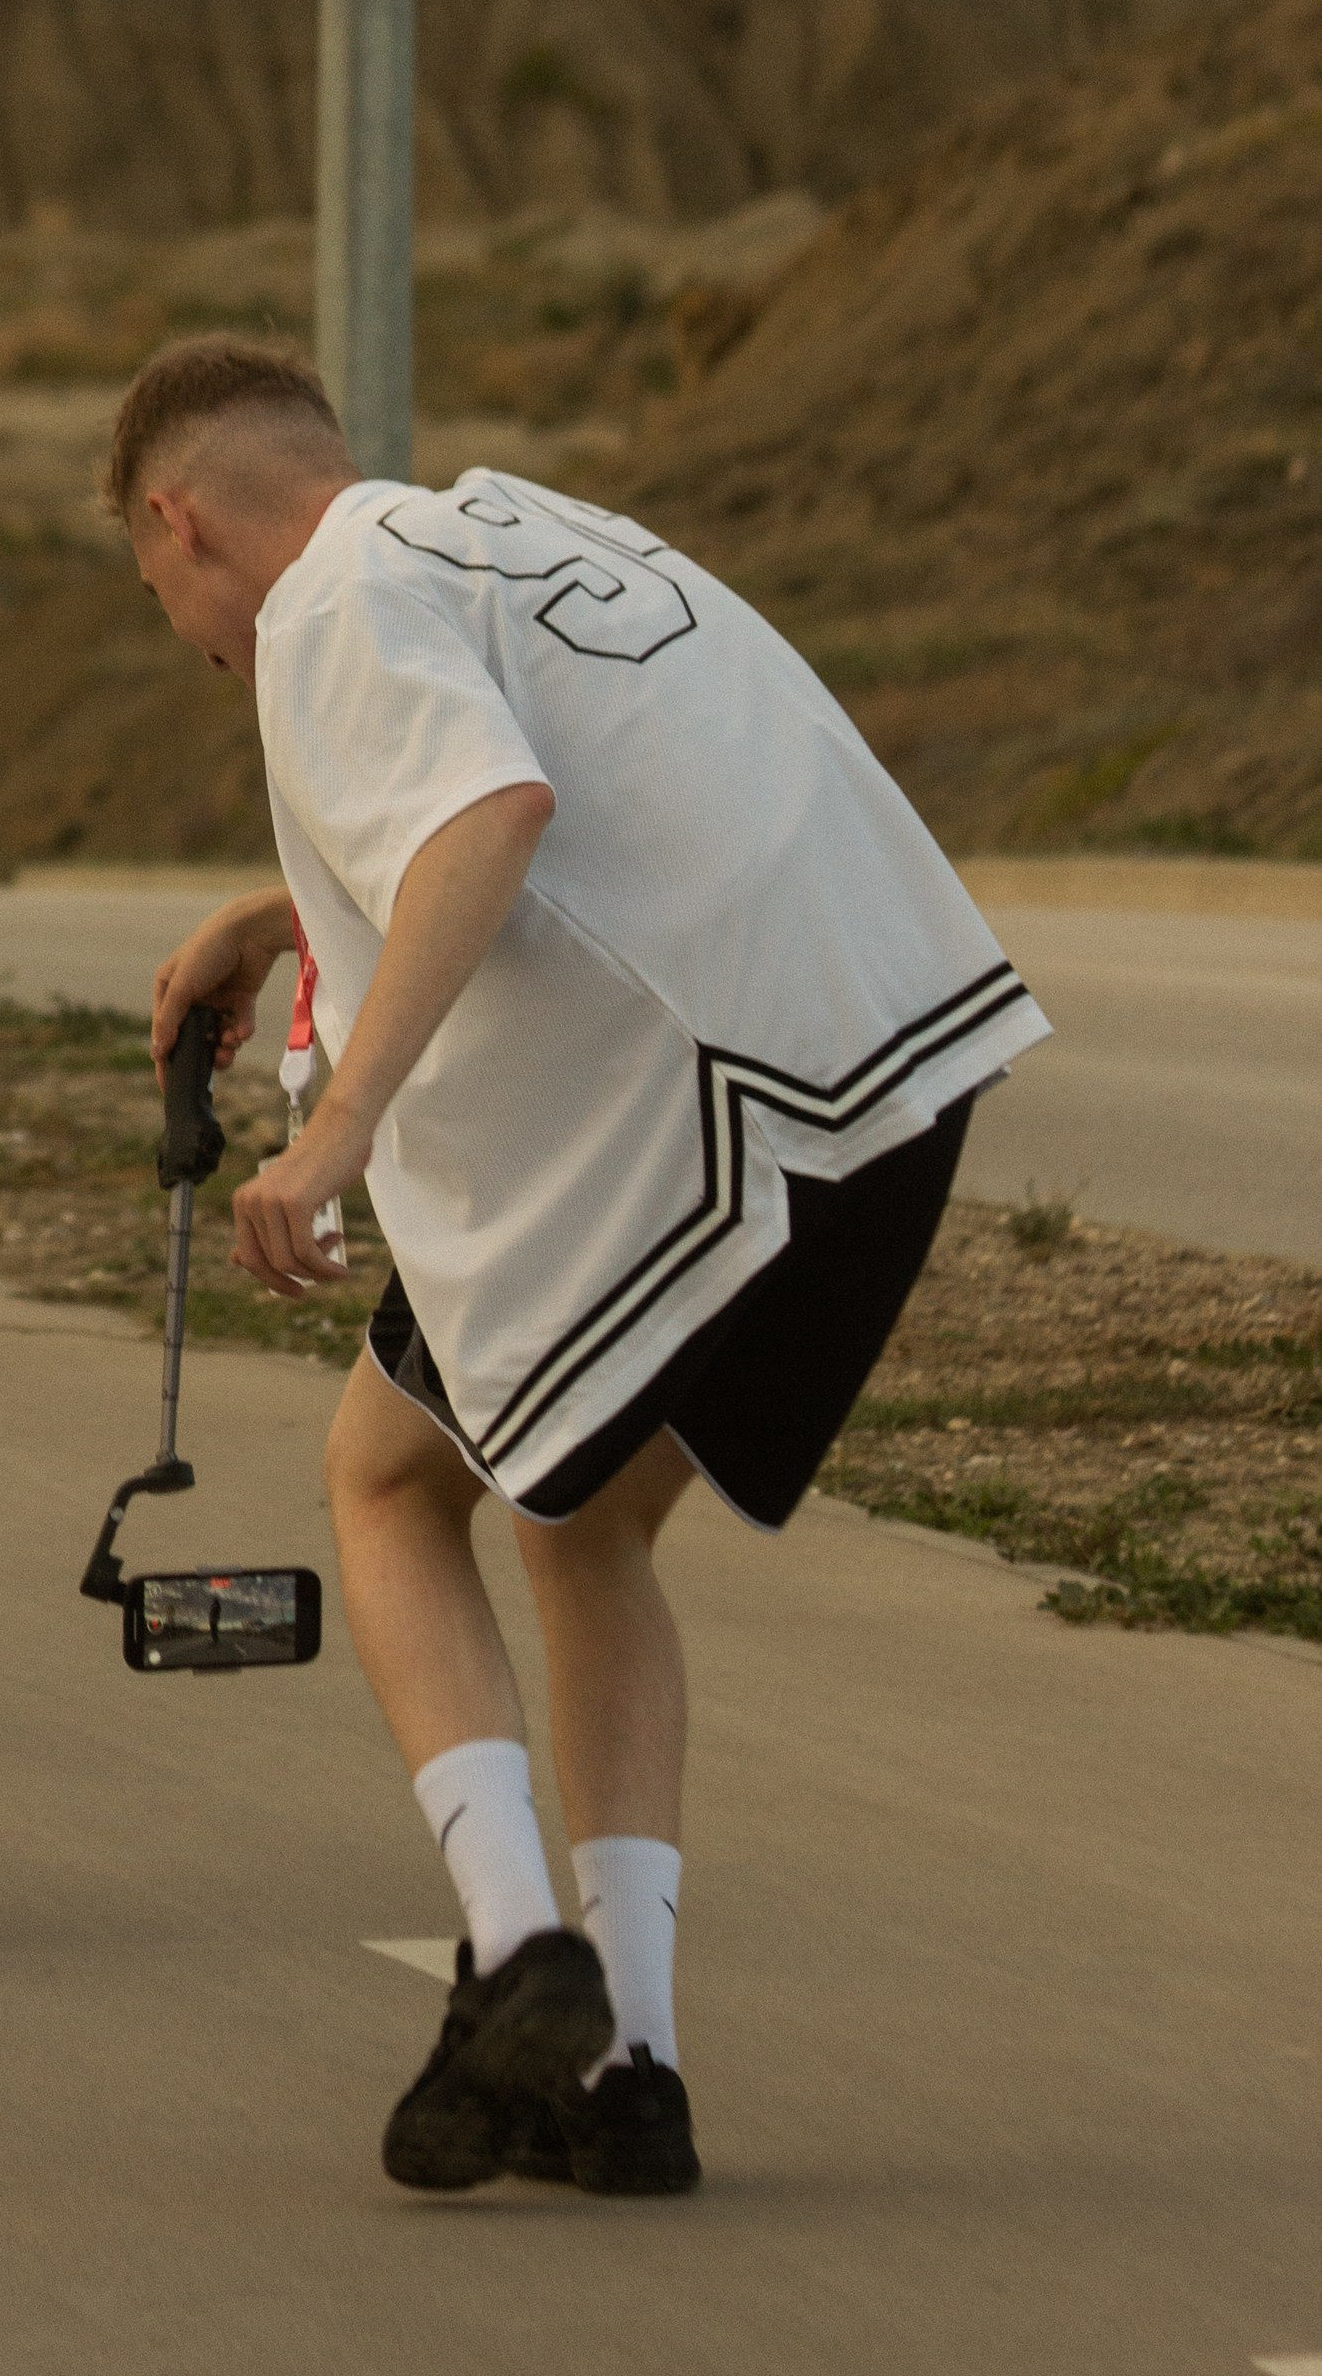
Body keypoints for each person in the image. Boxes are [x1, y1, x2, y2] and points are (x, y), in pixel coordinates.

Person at [121, 338, 1048, 2198]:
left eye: (169, 604)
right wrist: (272, 914)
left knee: (381, 1484)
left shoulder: (321, 603)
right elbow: (571, 787)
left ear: (179, 521)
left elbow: (487, 816)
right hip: (892, 1079)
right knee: (582, 1527)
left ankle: (516, 1949)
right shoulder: (514, 529)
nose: (195, 645)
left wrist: (339, 1125)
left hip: (710, 1132)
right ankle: (634, 2075)